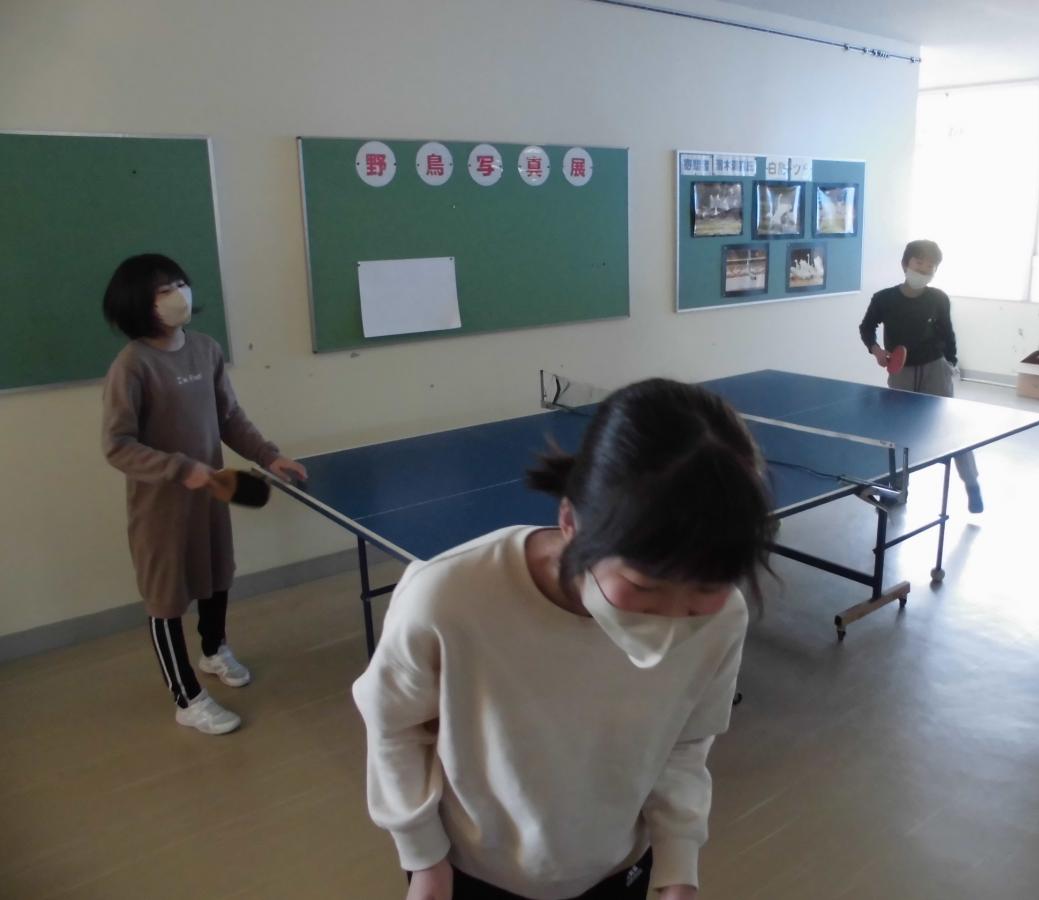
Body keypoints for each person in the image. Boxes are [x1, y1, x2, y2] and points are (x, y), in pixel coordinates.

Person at [351, 378, 776, 900]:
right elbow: (393, 726)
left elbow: (685, 744)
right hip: (471, 870)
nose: (673, 617)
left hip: (616, 866)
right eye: (646, 586)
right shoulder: (447, 597)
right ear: (572, 521)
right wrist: (424, 858)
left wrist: (677, 864)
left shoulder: (723, 618)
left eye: (705, 589)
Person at [101, 254, 307, 734]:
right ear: (138, 303)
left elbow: (228, 417)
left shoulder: (206, 349)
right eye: (163, 290)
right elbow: (118, 446)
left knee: (216, 575)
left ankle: (213, 650)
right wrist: (178, 468)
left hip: (210, 495)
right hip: (160, 508)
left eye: (179, 283)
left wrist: (268, 455)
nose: (178, 295)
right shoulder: (132, 365)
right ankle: (187, 698)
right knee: (166, 598)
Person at [858, 239, 983, 513]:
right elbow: (866, 328)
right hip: (901, 371)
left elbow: (947, 333)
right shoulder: (884, 298)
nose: (924, 270)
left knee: (951, 429)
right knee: (898, 432)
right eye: (919, 263)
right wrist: (876, 350)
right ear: (906, 264)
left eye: (931, 266)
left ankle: (972, 484)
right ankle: (896, 490)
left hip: (935, 368)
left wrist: (950, 362)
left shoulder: (938, 298)